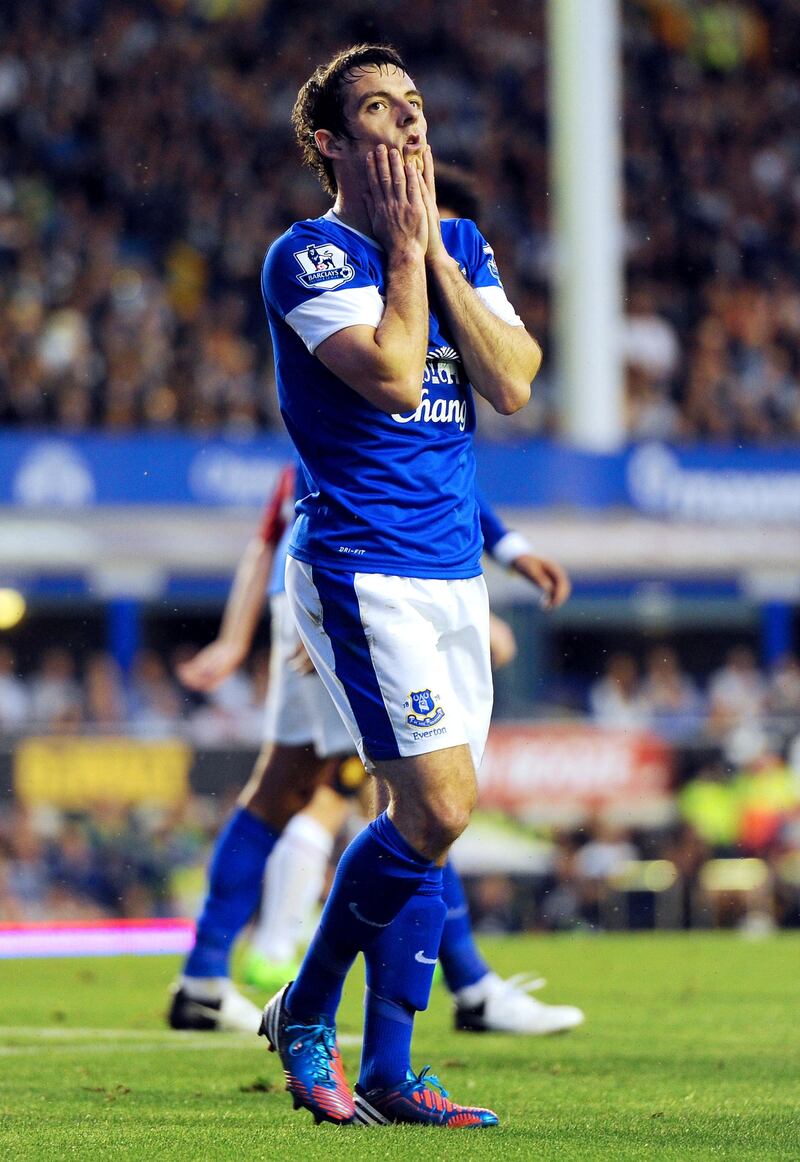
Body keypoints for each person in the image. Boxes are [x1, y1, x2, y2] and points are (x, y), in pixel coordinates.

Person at [257, 43, 543, 1127]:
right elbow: (385, 377)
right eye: (380, 109)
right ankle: (307, 1009)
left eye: (416, 106)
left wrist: (431, 247)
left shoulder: (462, 241)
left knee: (423, 823)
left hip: (449, 575)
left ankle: (388, 1068)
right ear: (331, 141)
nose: (411, 125)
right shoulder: (307, 258)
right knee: (435, 806)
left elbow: (510, 380)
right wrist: (406, 259)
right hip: (359, 567)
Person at [169, 460, 583, 1040]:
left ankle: (204, 979)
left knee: (287, 787)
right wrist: (326, 615)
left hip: (322, 586)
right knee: (419, 796)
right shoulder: (373, 390)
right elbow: (420, 474)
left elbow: (271, 536)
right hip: (354, 587)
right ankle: (468, 986)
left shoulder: (329, 426)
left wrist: (244, 637)